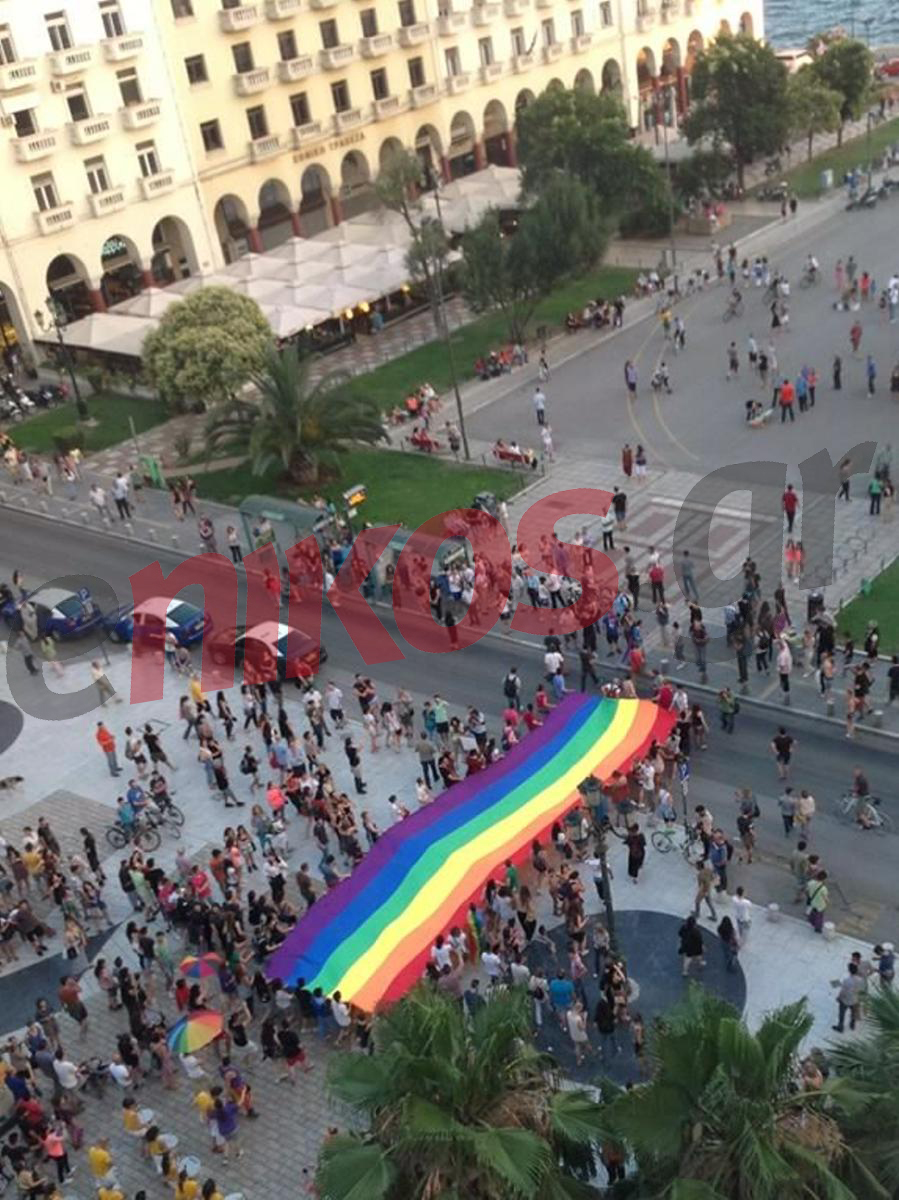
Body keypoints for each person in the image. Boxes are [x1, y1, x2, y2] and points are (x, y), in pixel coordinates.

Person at [833, 962, 864, 1032]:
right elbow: (861, 989)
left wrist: (839, 997)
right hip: (855, 1000)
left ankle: (840, 1027)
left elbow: (843, 992)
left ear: (849, 971)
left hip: (845, 1000)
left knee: (842, 1014)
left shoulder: (847, 981)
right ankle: (852, 1024)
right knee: (853, 1012)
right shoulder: (860, 980)